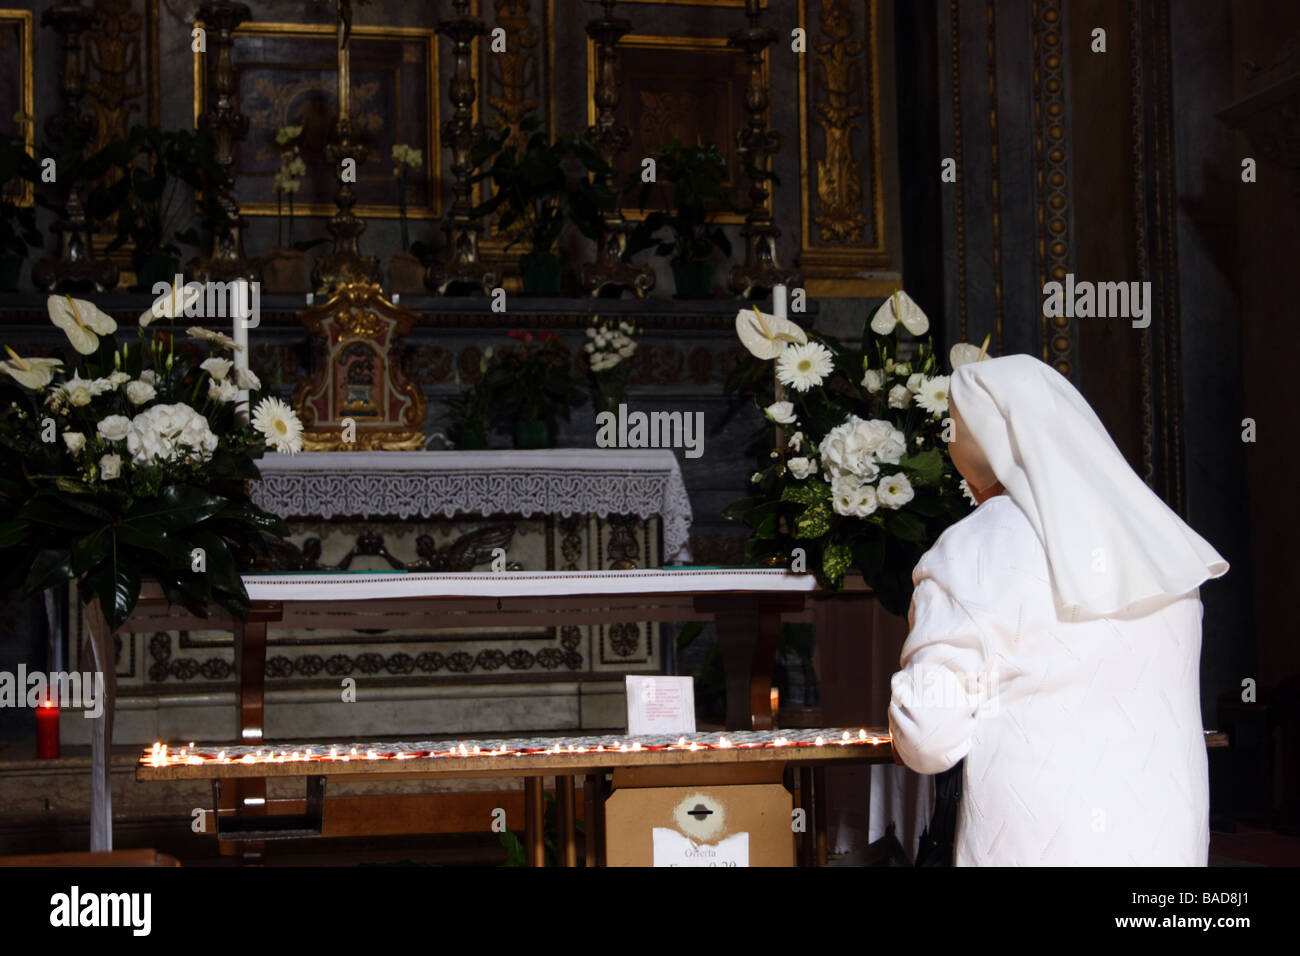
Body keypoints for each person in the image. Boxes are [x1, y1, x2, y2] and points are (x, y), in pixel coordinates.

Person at [888, 354, 1228, 865]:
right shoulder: (1162, 540)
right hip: (1166, 849)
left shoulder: (971, 548)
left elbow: (928, 738)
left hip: (1037, 844)